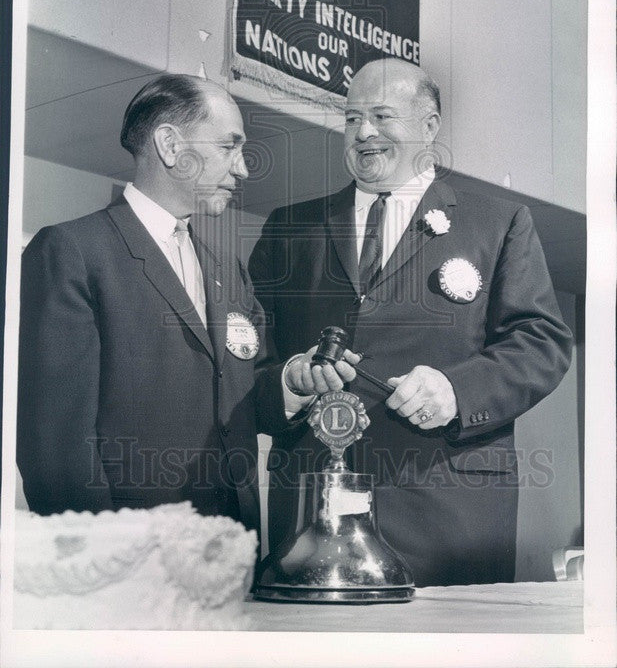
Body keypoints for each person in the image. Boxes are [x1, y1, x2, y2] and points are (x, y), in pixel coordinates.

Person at [249, 58, 573, 585]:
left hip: (448, 511)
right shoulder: (290, 227)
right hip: (311, 514)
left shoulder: (497, 223)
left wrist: (456, 390)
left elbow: (542, 342)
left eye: (381, 116)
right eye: (352, 119)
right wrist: (290, 381)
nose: (363, 133)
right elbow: (254, 360)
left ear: (429, 126)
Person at [17, 73, 355, 529]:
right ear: (170, 145)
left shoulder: (227, 271)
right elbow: (54, 443)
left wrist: (293, 383)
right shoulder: (73, 252)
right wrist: (99, 561)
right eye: (228, 147)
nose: (243, 169)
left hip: (233, 547)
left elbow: (245, 394)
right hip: (133, 559)